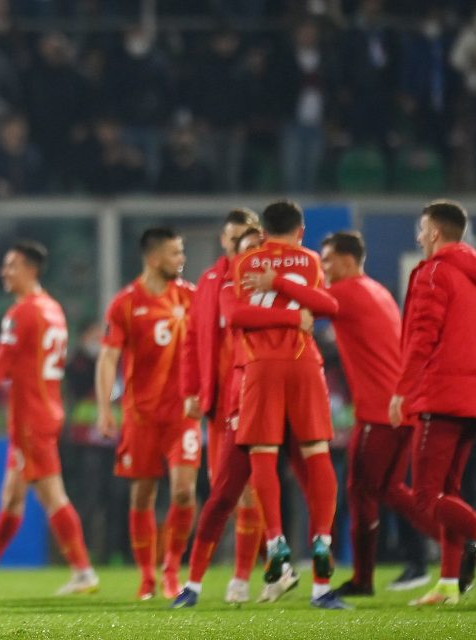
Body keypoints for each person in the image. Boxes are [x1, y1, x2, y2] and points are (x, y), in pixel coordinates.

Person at [389, 200, 476, 605]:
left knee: (425, 496)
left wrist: (402, 389)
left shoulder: (434, 271)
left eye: (421, 229)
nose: (418, 237)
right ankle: (449, 585)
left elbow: (421, 335)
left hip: (442, 393)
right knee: (450, 492)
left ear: (434, 232)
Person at [172, 225, 314, 608]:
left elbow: (318, 309)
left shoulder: (277, 289)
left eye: (257, 249)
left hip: (280, 398)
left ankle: (290, 572)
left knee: (303, 485)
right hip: (240, 400)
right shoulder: (226, 287)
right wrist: (294, 316)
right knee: (223, 494)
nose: (251, 256)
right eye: (245, 248)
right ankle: (194, 585)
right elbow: (234, 318)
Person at [0, 241, 98, 596]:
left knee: (53, 495)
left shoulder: (22, 313)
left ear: (31, 269)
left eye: (11, 265)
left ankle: (83, 571)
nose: (5, 272)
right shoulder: (54, 309)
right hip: (47, 408)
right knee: (12, 495)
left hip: (31, 416)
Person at [231, 200, 346, 610]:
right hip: (304, 365)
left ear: (262, 231)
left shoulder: (245, 264)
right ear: (300, 231)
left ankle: (276, 540)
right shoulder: (312, 260)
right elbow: (329, 307)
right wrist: (291, 309)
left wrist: (272, 286)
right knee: (317, 454)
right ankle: (323, 544)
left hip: (261, 368)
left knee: (263, 456)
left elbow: (236, 317)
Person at [316, 231, 439, 600]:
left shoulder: (347, 292)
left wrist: (274, 280)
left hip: (379, 412)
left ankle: (364, 579)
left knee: (360, 490)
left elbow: (305, 305)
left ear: (348, 261)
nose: (323, 268)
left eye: (327, 260)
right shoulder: (377, 290)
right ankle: (456, 544)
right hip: (398, 408)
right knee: (390, 490)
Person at [95, 228, 199, 601]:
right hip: (140, 416)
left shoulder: (191, 297)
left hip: (183, 414)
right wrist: (106, 406)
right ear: (154, 258)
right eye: (175, 252)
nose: (181, 259)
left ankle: (171, 569)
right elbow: (109, 357)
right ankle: (146, 577)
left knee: (185, 492)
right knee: (142, 496)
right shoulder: (125, 303)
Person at [178, 208, 264, 605]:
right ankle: (257, 569)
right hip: (216, 400)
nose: (235, 246)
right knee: (224, 490)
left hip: (252, 393)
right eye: (231, 239)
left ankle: (242, 577)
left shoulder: (257, 281)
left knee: (244, 491)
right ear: (223, 240)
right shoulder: (211, 281)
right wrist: (191, 389)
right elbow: (193, 338)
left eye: (243, 239)